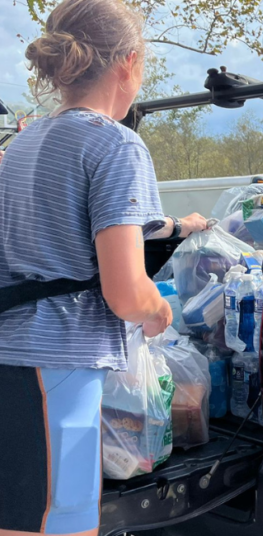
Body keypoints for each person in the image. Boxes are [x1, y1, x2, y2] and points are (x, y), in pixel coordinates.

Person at [0, 2, 206, 535]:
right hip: (57, 364)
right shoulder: (116, 145)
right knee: (61, 521)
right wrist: (158, 310)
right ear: (129, 65)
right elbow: (125, 293)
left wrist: (174, 225)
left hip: (10, 356)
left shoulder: (22, 144)